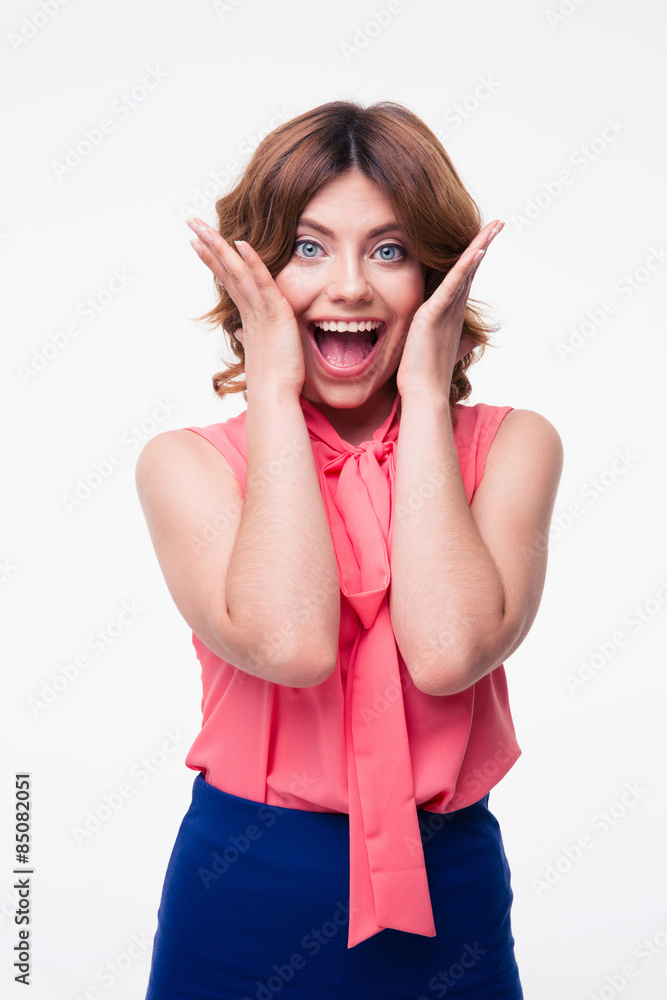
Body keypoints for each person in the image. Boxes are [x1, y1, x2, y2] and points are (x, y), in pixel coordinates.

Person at [135, 100, 563, 999]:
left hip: (449, 896)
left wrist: (423, 390)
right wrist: (274, 390)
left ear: (435, 275)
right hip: (240, 892)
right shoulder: (187, 466)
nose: (350, 288)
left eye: (389, 250)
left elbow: (446, 653)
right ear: (254, 273)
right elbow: (290, 644)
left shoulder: (513, 447)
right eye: (306, 247)